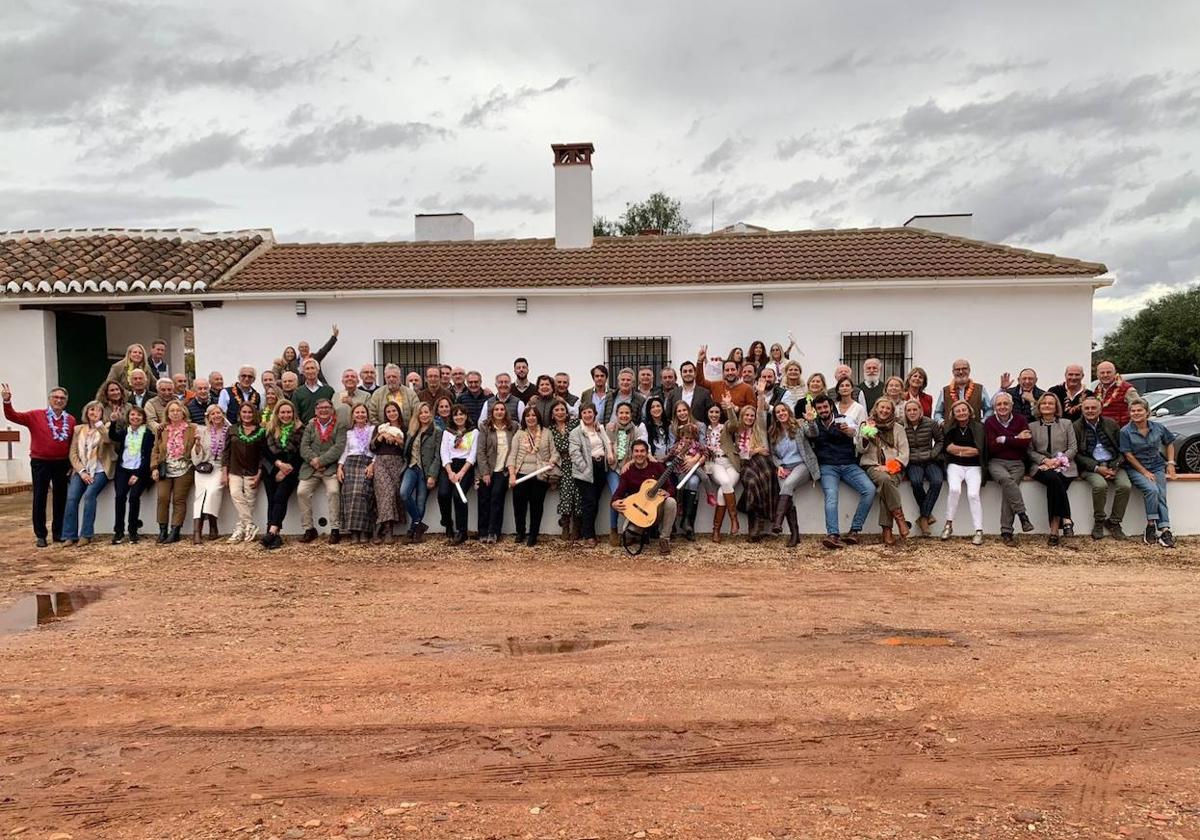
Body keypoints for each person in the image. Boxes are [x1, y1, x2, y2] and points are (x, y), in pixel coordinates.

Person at [2, 382, 75, 547]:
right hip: (40, 462)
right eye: (55, 397)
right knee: (40, 497)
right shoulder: (35, 415)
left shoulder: (70, 420)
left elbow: (71, 442)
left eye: (62, 398)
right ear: (50, 399)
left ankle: (58, 533)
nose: (58, 400)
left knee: (60, 498)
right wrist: (7, 402)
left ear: (66, 401)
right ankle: (41, 535)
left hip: (61, 463)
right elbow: (13, 416)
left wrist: (71, 463)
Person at [803, 394, 875, 549]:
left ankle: (854, 530)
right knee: (831, 496)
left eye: (825, 407)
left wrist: (850, 431)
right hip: (827, 467)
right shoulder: (814, 424)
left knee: (869, 489)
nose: (823, 410)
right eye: (819, 408)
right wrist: (809, 421)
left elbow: (857, 435)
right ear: (816, 410)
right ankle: (833, 535)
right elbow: (810, 434)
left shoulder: (845, 419)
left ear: (830, 406)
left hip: (849, 464)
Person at [1120, 397, 1177, 548]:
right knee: (1152, 490)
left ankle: (1165, 530)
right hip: (1135, 468)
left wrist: (1170, 463)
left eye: (1139, 410)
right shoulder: (1125, 431)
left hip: (1157, 466)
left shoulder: (1158, 428)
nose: (1136, 413)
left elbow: (1169, 442)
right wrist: (1144, 472)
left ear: (1147, 412)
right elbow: (1128, 455)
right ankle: (1150, 526)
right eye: (1133, 411)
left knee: (1161, 494)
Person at [1074, 395, 1129, 540]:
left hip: (1113, 465)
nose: (1090, 410)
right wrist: (1097, 468)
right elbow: (1076, 454)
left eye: (1093, 408)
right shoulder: (1076, 427)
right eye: (1087, 408)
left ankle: (1114, 522)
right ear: (1082, 409)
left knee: (1125, 486)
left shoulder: (1111, 424)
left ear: (1100, 409)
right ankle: (1099, 521)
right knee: (1100, 486)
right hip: (1090, 467)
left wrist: (1115, 467)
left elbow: (1122, 449)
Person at [1027, 393, 1078, 545]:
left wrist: (1058, 461)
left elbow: (1073, 448)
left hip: (1065, 465)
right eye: (1044, 403)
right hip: (1040, 466)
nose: (1047, 406)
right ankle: (1067, 519)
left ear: (1056, 407)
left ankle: (1054, 531)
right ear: (1039, 407)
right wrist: (1045, 460)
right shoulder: (1032, 426)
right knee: (1054, 480)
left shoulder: (1067, 424)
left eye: (1051, 403)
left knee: (1054, 485)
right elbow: (1029, 450)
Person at [858, 397, 911, 545]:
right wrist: (866, 436)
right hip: (872, 465)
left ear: (892, 411)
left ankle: (887, 530)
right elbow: (860, 449)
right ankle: (900, 519)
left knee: (886, 486)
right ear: (876, 408)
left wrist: (889, 467)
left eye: (888, 408)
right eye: (882, 407)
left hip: (894, 467)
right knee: (886, 481)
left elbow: (904, 453)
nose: (884, 410)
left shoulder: (898, 428)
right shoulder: (866, 424)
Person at [984, 392, 1035, 544]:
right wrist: (1015, 438)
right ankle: (1023, 516)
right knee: (1007, 481)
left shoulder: (1021, 420)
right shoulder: (990, 422)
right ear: (994, 407)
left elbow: (1025, 444)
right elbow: (991, 447)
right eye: (999, 404)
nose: (1002, 407)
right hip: (996, 462)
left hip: (1017, 463)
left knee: (1009, 490)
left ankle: (1006, 532)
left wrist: (1004, 439)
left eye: (1006, 404)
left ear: (1011, 406)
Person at [611, 440, 678, 555]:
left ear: (647, 453)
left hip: (656, 512)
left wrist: (668, 493)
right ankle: (638, 531)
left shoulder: (657, 467)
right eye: (636, 451)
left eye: (642, 451)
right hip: (638, 513)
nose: (639, 454)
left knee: (671, 502)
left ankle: (664, 540)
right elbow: (618, 493)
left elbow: (670, 486)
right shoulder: (627, 473)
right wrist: (614, 503)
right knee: (629, 535)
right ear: (632, 454)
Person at [62, 400, 114, 547]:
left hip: (100, 470)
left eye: (98, 410)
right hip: (81, 470)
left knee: (90, 495)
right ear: (86, 412)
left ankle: (86, 534)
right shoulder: (79, 429)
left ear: (102, 414)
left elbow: (108, 441)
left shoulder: (106, 427)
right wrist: (82, 472)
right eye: (91, 410)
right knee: (72, 498)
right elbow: (73, 454)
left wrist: (99, 424)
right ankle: (69, 535)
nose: (94, 413)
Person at [766, 401, 818, 547]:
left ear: (788, 412)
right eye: (778, 412)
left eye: (784, 410)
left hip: (802, 465)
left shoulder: (799, 425)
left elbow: (814, 434)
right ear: (775, 416)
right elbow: (773, 455)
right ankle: (795, 534)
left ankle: (777, 522)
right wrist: (779, 466)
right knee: (787, 494)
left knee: (787, 485)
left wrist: (811, 421)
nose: (781, 413)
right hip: (784, 467)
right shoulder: (773, 433)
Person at [298, 398, 346, 544]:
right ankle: (309, 529)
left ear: (332, 409)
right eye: (320, 408)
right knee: (302, 492)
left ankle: (335, 529)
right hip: (311, 468)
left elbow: (339, 447)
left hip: (330, 468)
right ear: (315, 411)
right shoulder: (310, 425)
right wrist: (314, 461)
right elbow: (304, 447)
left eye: (327, 407)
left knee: (333, 492)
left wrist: (322, 461)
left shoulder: (340, 425)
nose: (323, 410)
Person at [507, 404, 557, 546]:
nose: (531, 418)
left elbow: (554, 452)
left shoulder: (547, 433)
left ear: (538, 417)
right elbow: (512, 456)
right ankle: (520, 532)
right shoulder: (519, 434)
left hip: (539, 475)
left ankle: (533, 535)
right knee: (519, 506)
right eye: (527, 416)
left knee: (536, 506)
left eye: (533, 415)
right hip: (521, 475)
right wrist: (511, 475)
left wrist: (552, 461)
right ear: (524, 418)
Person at [150, 399, 196, 544]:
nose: (175, 413)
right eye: (172, 411)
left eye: (178, 410)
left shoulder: (192, 428)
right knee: (162, 498)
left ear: (183, 412)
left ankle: (175, 531)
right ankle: (162, 530)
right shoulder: (162, 430)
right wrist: (154, 467)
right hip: (165, 468)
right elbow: (156, 450)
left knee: (179, 500)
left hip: (185, 468)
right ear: (167, 414)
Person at [941, 400, 986, 545]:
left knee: (973, 494)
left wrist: (958, 450)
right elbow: (948, 448)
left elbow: (978, 450)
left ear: (969, 411)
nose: (961, 413)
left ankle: (978, 530)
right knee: (954, 490)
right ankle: (948, 524)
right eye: (957, 411)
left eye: (963, 410)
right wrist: (966, 451)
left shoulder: (979, 428)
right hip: (955, 465)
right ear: (953, 414)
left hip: (974, 467)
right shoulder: (949, 427)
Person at [568, 403, 614, 546]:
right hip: (585, 471)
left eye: (590, 412)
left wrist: (610, 455)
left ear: (594, 413)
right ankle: (588, 535)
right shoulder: (576, 432)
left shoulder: (599, 428)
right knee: (589, 503)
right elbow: (574, 453)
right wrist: (585, 469)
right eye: (584, 413)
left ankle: (590, 532)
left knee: (595, 502)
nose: (588, 415)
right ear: (581, 415)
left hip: (600, 468)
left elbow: (607, 443)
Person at [108, 404, 154, 545]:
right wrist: (113, 422)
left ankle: (133, 530)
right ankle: (119, 531)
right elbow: (113, 436)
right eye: (133, 415)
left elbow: (147, 457)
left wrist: (138, 474)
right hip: (123, 469)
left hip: (139, 470)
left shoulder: (148, 435)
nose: (135, 417)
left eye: (139, 415)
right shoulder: (124, 432)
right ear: (128, 417)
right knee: (120, 497)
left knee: (134, 498)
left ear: (143, 418)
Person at [730, 399, 775, 542]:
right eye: (746, 415)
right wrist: (755, 450)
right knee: (751, 481)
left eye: (752, 415)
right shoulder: (736, 431)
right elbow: (741, 453)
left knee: (766, 476)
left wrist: (761, 394)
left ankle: (755, 525)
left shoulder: (759, 427)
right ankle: (757, 519)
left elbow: (761, 411)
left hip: (762, 462)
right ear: (742, 416)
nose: (750, 418)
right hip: (746, 463)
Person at [260, 399, 302, 550]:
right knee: (272, 500)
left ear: (293, 413)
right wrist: (279, 465)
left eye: (288, 412)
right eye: (282, 412)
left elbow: (300, 455)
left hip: (291, 470)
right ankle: (275, 536)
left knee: (280, 497)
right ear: (277, 413)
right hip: (272, 468)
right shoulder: (270, 429)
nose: (286, 415)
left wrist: (286, 470)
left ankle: (271, 532)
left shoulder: (299, 429)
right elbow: (265, 451)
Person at [605, 402, 648, 545]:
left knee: (636, 497)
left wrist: (629, 463)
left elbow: (639, 450)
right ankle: (613, 529)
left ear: (631, 415)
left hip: (629, 469)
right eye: (621, 413)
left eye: (627, 413)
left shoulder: (636, 431)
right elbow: (608, 446)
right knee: (616, 495)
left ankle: (634, 529)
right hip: (614, 469)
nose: (624, 415)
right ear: (616, 415)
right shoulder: (610, 428)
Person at [476, 400, 518, 545]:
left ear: (506, 412)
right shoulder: (485, 427)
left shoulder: (513, 427)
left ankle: (494, 532)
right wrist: (485, 472)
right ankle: (482, 531)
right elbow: (480, 451)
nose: (499, 412)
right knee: (483, 500)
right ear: (492, 412)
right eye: (496, 410)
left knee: (496, 500)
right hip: (487, 469)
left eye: (502, 409)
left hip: (503, 470)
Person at [223, 402, 265, 543]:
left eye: (250, 412)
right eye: (244, 412)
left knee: (249, 501)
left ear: (254, 414)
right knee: (236, 495)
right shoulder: (232, 429)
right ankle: (250, 525)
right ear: (240, 413)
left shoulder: (261, 431)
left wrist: (259, 474)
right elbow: (226, 452)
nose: (247, 415)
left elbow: (262, 455)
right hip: (234, 470)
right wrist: (224, 473)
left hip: (252, 471)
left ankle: (240, 530)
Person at [902, 398, 943, 536]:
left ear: (920, 410)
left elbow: (940, 440)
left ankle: (923, 517)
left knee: (937, 481)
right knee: (916, 481)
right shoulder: (901, 425)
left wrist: (933, 453)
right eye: (909, 410)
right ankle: (927, 516)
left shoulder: (930, 423)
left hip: (930, 459)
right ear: (905, 412)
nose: (912, 412)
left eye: (915, 409)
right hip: (912, 461)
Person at [666, 405, 706, 541]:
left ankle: (688, 522)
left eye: (684, 410)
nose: (682, 413)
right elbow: (671, 450)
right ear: (675, 413)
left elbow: (704, 448)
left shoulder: (699, 426)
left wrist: (695, 460)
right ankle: (672, 525)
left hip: (696, 463)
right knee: (674, 481)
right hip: (678, 464)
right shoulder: (673, 427)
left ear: (689, 411)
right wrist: (681, 456)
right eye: (679, 411)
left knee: (694, 482)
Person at [700, 403, 740, 542]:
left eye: (717, 412)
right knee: (725, 482)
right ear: (707, 413)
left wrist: (729, 407)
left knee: (722, 491)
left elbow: (734, 424)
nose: (714, 415)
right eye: (711, 412)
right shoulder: (704, 430)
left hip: (731, 463)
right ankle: (734, 519)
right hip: (715, 464)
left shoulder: (725, 427)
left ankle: (716, 530)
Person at [439, 405, 478, 545]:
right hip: (449, 466)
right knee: (443, 493)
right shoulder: (447, 432)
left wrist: (461, 473)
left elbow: (473, 455)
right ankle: (448, 523)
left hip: (466, 467)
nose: (459, 417)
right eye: (456, 415)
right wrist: (450, 472)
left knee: (458, 496)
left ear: (466, 416)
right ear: (452, 417)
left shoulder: (473, 432)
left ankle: (462, 531)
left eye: (462, 414)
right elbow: (444, 452)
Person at [400, 403, 440, 542]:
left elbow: (437, 456)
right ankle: (419, 523)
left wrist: (433, 476)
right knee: (404, 493)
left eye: (426, 412)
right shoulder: (412, 431)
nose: (424, 415)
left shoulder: (436, 431)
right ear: (417, 415)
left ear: (430, 413)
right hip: (411, 468)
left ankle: (413, 531)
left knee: (420, 501)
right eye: (421, 412)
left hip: (426, 471)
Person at [338, 403, 377, 544]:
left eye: (363, 412)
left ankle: (365, 531)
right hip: (351, 463)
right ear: (353, 415)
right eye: (357, 412)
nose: (360, 415)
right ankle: (354, 532)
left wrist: (373, 464)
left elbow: (377, 450)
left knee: (363, 493)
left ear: (367, 415)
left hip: (367, 463)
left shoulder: (373, 430)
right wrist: (340, 467)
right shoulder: (349, 432)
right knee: (350, 495)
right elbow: (345, 451)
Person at [190, 403, 229, 543]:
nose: (216, 416)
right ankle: (197, 532)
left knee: (212, 493)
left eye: (218, 413)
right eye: (213, 414)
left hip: (220, 468)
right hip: (204, 468)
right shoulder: (203, 431)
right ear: (209, 417)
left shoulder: (229, 431)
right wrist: (198, 445)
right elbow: (196, 459)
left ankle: (213, 525)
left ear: (223, 415)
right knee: (199, 497)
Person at [370, 401, 407, 544]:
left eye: (394, 410)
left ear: (398, 412)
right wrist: (381, 437)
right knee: (386, 493)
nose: (392, 413)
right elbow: (372, 447)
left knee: (394, 495)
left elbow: (407, 448)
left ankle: (379, 529)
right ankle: (387, 532)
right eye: (389, 411)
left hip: (397, 463)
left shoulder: (404, 428)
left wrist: (398, 440)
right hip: (381, 463)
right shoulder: (381, 428)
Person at [546, 399, 580, 541]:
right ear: (552, 414)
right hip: (562, 464)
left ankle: (577, 526)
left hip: (577, 462)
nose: (560, 413)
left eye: (562, 410)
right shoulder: (550, 430)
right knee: (566, 493)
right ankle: (565, 525)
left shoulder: (575, 425)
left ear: (567, 413)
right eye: (557, 410)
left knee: (578, 494)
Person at [366, 363, 421, 429]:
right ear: (385, 378)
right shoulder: (377, 394)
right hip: (383, 433)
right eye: (388, 377)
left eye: (394, 376)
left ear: (399, 378)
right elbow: (371, 415)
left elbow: (416, 414)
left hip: (408, 433)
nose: (391, 379)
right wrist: (382, 429)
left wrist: (410, 431)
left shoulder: (411, 394)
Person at [1095, 361, 1139, 427]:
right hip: (1103, 430)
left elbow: (1139, 409)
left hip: (1121, 431)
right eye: (1102, 373)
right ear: (1097, 375)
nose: (1105, 375)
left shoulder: (1126, 389)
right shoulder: (1097, 390)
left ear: (1115, 373)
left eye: (1109, 372)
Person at [293, 358, 334, 423]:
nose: (310, 371)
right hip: (305, 430)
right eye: (307, 369)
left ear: (318, 370)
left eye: (312, 368)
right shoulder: (298, 392)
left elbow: (333, 411)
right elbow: (295, 414)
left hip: (326, 429)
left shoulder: (329, 390)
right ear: (303, 372)